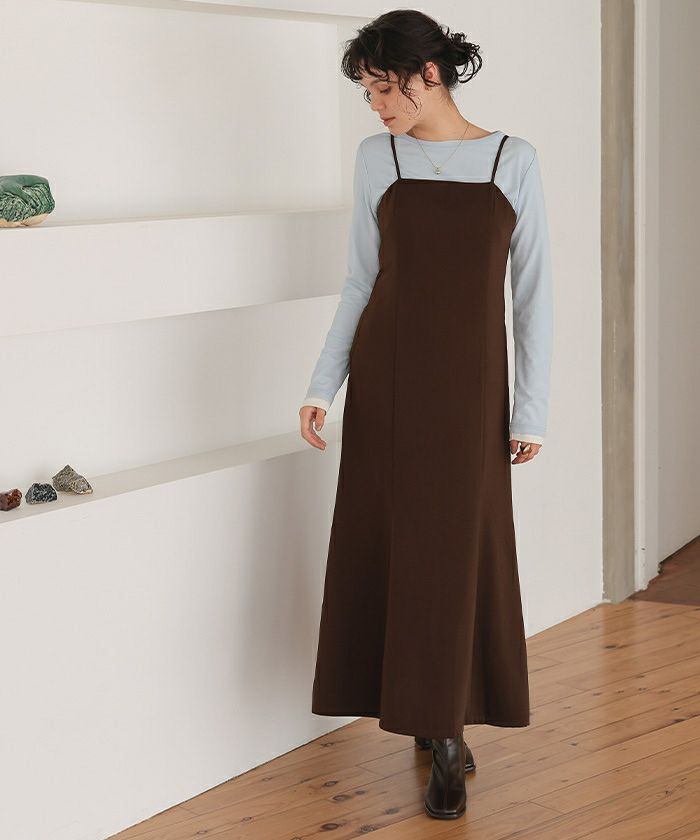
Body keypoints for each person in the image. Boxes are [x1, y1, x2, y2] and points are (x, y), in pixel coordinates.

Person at [298, 9, 553, 821]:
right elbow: (359, 281)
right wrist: (322, 385)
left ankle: (443, 720)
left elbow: (533, 296)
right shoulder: (379, 157)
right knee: (396, 547)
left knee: (456, 550)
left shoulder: (514, 160)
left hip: (472, 393)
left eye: (382, 90)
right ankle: (438, 731)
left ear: (428, 75)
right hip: (388, 382)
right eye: (368, 94)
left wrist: (531, 411)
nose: (374, 107)